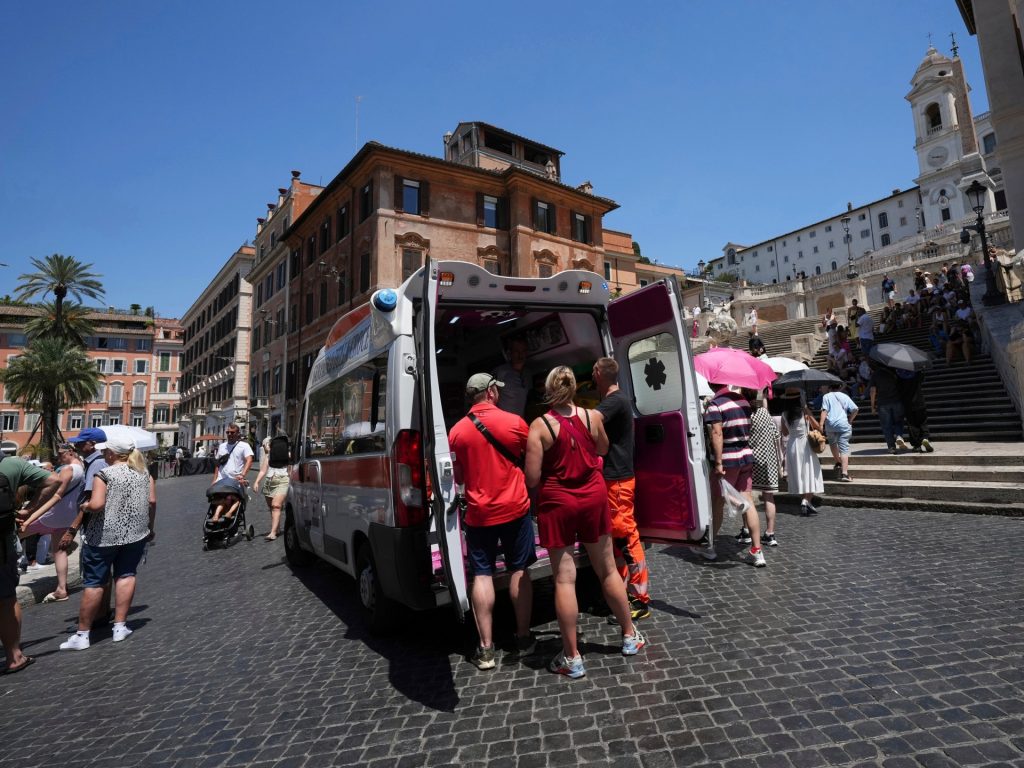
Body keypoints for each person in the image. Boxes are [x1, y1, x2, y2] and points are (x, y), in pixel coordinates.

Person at [524, 366, 646, 679]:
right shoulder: (592, 416)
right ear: (575, 389)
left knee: (564, 580)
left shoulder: (539, 426)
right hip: (592, 496)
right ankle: (630, 636)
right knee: (607, 569)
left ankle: (572, 657)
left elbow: (533, 477)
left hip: (558, 502)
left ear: (549, 390)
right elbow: (603, 447)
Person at [449, 373, 535, 670]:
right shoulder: (515, 423)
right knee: (518, 569)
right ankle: (523, 637)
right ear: (490, 393)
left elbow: (457, 476)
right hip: (515, 508)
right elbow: (531, 456)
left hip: (479, 514)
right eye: (496, 389)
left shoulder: (457, 432)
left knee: (482, 575)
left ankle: (485, 649)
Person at [59, 433, 156, 650]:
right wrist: (151, 528)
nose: (103, 454)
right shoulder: (144, 473)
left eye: (105, 451)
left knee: (94, 582)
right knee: (126, 575)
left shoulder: (104, 474)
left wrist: (85, 507)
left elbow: (97, 505)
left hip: (104, 535)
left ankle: (82, 634)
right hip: (135, 533)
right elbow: (152, 501)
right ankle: (120, 626)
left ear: (112, 453)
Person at [592, 357, 650, 620]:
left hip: (617, 479)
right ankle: (623, 594)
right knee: (617, 541)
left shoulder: (615, 401)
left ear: (598, 374)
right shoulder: (616, 400)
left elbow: (591, 420)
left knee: (626, 538)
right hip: (613, 477)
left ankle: (640, 599)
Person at [1, 455, 60, 674]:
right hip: (2, 546)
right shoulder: (11, 464)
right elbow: (54, 481)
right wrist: (30, 509)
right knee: (6, 600)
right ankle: (14, 656)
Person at [702, 383, 765, 567]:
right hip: (745, 455)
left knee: (719, 501)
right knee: (749, 501)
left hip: (728, 457)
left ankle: (709, 548)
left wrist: (719, 462)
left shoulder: (716, 404)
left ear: (711, 384)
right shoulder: (744, 401)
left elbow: (716, 433)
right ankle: (757, 550)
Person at [16, 444, 85, 603]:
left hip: (49, 514)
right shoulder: (81, 468)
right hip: (67, 516)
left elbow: (55, 492)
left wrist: (31, 513)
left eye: (61, 454)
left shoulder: (67, 469)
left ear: (70, 453)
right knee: (59, 551)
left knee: (13, 535)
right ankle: (62, 588)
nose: (59, 457)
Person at [736, 389, 782, 548]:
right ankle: (770, 533)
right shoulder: (765, 413)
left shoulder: (746, 414)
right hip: (769, 460)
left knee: (745, 495)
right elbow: (776, 435)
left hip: (750, 459)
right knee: (769, 496)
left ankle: (747, 530)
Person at [780, 389, 824, 515]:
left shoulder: (784, 414)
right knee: (811, 473)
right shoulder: (804, 411)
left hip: (792, 446)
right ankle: (806, 501)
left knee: (798, 475)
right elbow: (817, 427)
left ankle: (806, 502)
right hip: (805, 446)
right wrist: (807, 412)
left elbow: (785, 433)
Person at [253, 430, 291, 541]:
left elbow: (291, 470)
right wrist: (256, 482)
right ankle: (277, 528)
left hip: (283, 481)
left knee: (276, 506)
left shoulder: (287, 455)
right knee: (272, 508)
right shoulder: (269, 456)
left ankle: (273, 532)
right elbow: (262, 471)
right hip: (269, 482)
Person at [820, 382, 859, 482]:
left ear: (829, 387)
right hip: (843, 424)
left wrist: (821, 424)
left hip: (830, 425)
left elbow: (824, 410)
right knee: (844, 448)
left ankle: (838, 462)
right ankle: (844, 474)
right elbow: (855, 409)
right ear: (840, 387)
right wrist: (850, 419)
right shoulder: (844, 396)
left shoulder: (826, 396)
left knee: (833, 443)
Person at [868, 361, 907, 455]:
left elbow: (873, 390)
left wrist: (872, 406)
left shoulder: (875, 374)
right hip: (896, 400)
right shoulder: (894, 371)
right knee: (898, 421)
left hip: (883, 403)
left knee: (886, 426)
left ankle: (891, 447)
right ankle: (899, 435)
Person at [492, 335, 530, 417]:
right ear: (510, 353)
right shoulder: (500, 372)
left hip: (520, 423)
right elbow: (490, 399)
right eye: (516, 351)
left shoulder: (527, 374)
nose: (520, 354)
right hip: (503, 422)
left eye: (523, 351)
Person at [897, 369, 933, 453]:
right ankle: (925, 437)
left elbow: (898, 389)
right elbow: (922, 378)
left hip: (908, 403)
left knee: (912, 424)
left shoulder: (899, 376)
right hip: (919, 401)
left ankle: (917, 446)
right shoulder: (917, 373)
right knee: (922, 421)